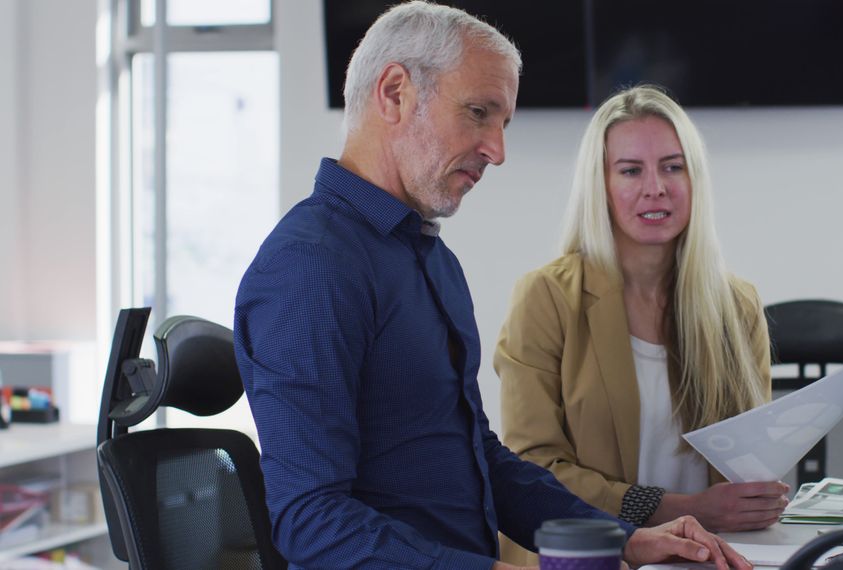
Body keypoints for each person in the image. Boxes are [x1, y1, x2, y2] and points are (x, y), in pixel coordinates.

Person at [234, 3, 751, 569]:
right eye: (478, 113)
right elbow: (311, 521)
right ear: (394, 93)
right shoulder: (311, 266)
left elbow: (484, 461)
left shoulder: (428, 258)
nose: (496, 151)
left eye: (502, 124)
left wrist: (625, 536)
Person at [496, 85, 790, 564]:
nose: (656, 187)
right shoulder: (547, 298)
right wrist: (681, 510)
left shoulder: (736, 304)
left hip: (707, 558)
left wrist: (755, 498)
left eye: (673, 167)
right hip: (590, 559)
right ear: (601, 185)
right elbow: (536, 468)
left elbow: (747, 457)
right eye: (631, 170)